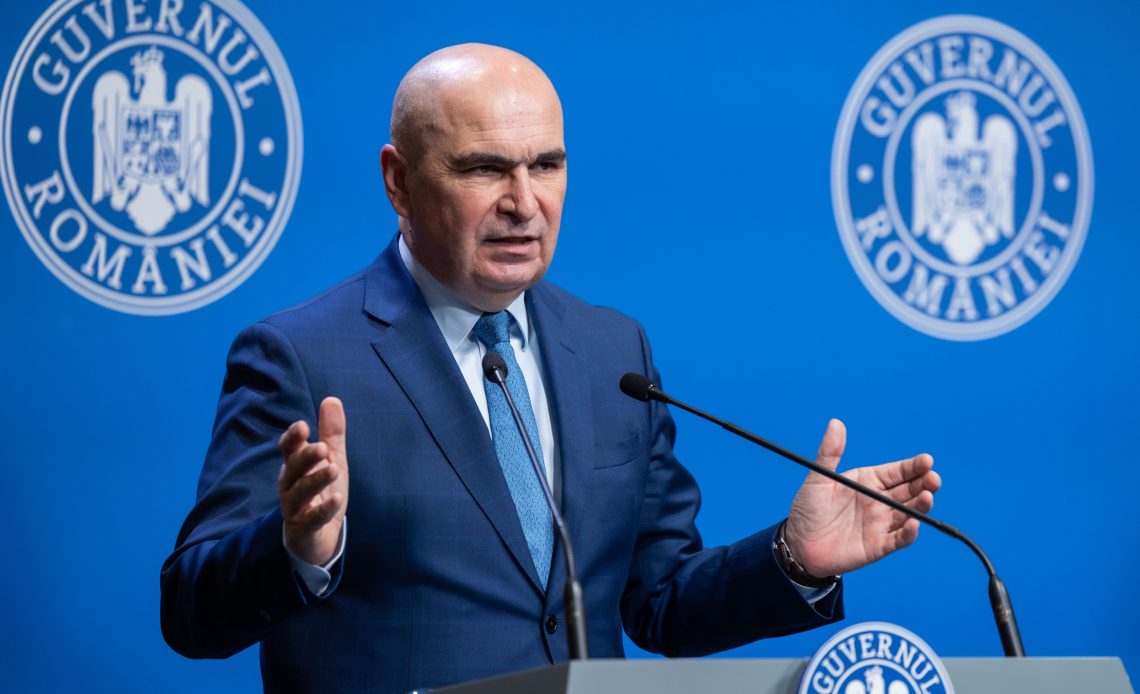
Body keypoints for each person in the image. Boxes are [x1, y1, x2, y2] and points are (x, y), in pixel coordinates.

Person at [160, 44, 940, 693]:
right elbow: (189, 611)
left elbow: (660, 598)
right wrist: (297, 548)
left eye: (546, 164)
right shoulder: (302, 356)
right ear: (399, 180)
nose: (524, 202)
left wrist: (792, 558)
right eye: (483, 169)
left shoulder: (612, 352)